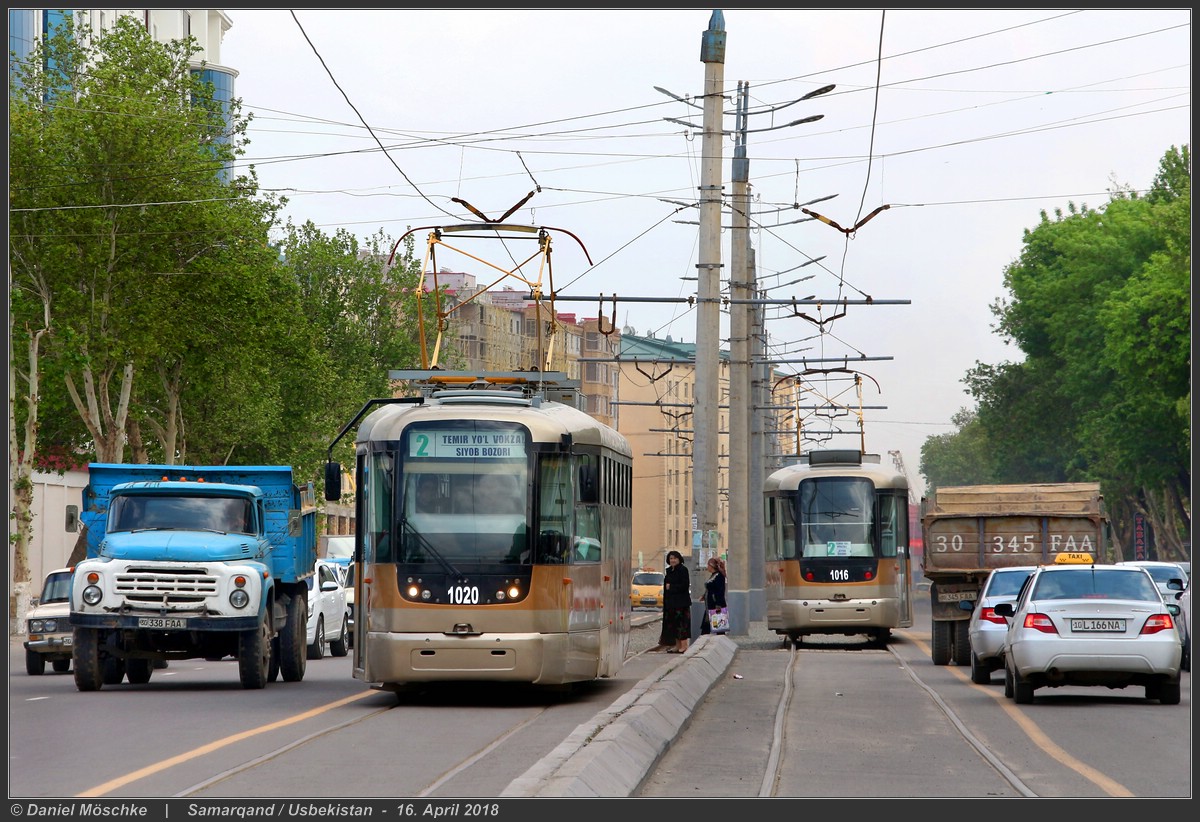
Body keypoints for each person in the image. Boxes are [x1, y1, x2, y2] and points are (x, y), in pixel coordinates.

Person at [655, 550, 691, 653]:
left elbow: (684, 585)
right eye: (671, 558)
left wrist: (671, 587)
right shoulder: (669, 571)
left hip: (681, 603)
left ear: (679, 559)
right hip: (670, 603)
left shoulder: (683, 570)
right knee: (673, 624)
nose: (673, 560)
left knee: (682, 624)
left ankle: (684, 646)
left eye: (675, 558)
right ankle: (677, 645)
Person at [700, 556, 727, 635]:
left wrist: (718, 604)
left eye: (708, 565)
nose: (707, 567)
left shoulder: (719, 576)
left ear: (712, 566)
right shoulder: (713, 575)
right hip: (710, 605)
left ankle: (720, 645)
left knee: (719, 628)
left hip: (716, 606)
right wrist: (704, 596)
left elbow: (720, 591)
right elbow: (710, 589)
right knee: (706, 627)